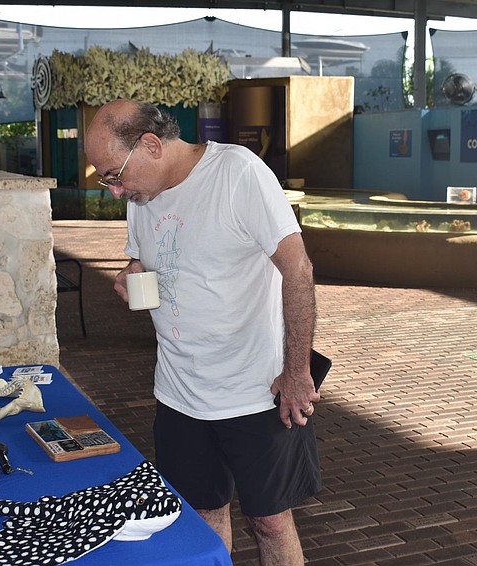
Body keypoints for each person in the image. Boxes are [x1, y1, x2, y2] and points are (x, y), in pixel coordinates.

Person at [84, 99, 321, 565]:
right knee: (202, 518)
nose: (113, 189)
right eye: (106, 179)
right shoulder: (141, 196)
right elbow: (144, 264)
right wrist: (130, 280)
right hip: (178, 395)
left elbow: (298, 271)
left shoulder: (237, 173)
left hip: (255, 391)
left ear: (151, 145)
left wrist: (297, 372)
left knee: (271, 522)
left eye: (113, 174)